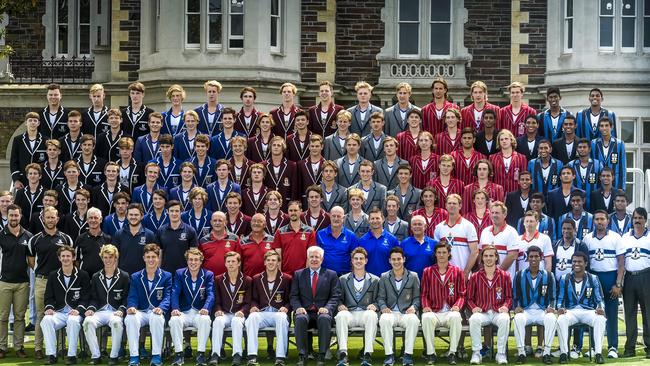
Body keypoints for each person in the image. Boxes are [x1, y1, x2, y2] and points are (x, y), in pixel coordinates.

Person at [27, 206, 74, 359]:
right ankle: (39, 347)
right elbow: (31, 260)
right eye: (48, 217)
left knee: (59, 313)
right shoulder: (35, 239)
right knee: (43, 315)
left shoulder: (66, 238)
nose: (50, 220)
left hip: (61, 282)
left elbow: (70, 258)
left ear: (57, 219)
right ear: (43, 219)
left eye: (53, 217)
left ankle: (60, 347)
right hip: (42, 281)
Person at [582, 210, 625, 359]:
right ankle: (594, 347)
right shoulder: (587, 239)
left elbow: (621, 263)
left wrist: (618, 284)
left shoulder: (615, 237)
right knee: (595, 314)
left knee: (612, 314)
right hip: (594, 279)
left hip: (611, 278)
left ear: (607, 221)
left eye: (602, 219)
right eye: (597, 219)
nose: (599, 222)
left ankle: (613, 346)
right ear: (593, 221)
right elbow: (585, 264)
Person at [290, 246, 341, 366]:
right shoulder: (298, 274)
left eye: (316, 257)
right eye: (311, 257)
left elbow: (335, 296)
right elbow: (294, 296)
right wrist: (298, 307)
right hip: (305, 312)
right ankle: (302, 355)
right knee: (300, 318)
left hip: (322, 312)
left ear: (322, 259)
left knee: (324, 318)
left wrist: (327, 308)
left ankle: (322, 355)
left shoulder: (331, 275)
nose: (314, 259)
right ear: (307, 259)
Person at [41, 245, 91, 365]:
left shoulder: (83, 275)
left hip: (75, 312)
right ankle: (51, 355)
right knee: (46, 320)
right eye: (63, 256)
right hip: (59, 312)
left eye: (68, 256)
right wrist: (49, 308)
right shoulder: (53, 275)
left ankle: (71, 355)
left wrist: (79, 310)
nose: (65, 258)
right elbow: (48, 296)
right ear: (59, 258)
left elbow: (86, 297)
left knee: (73, 321)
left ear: (73, 258)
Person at [125, 244, 172, 366]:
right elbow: (132, 295)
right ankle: (134, 356)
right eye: (148, 257)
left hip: (156, 311)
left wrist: (161, 308)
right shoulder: (136, 276)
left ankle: (156, 355)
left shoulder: (166, 276)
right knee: (130, 318)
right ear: (144, 258)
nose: (151, 260)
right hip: (141, 311)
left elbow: (167, 296)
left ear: (158, 258)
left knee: (156, 318)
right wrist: (132, 307)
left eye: (153, 257)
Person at [556, 251, 607, 364]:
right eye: (574, 261)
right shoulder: (565, 278)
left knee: (600, 319)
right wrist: (560, 308)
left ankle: (598, 353)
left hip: (588, 311)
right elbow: (560, 298)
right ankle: (564, 353)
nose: (576, 264)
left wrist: (601, 308)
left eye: (579, 261)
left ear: (586, 264)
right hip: (571, 311)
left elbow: (599, 299)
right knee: (561, 319)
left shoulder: (593, 278)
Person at [83, 244, 130, 366]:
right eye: (105, 257)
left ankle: (114, 356)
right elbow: (93, 298)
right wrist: (91, 309)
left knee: (116, 322)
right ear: (102, 258)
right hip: (100, 311)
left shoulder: (124, 276)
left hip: (115, 311)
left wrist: (121, 309)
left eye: (110, 257)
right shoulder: (96, 276)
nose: (108, 260)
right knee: (87, 321)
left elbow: (127, 298)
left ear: (116, 258)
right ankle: (96, 355)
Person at [421, 241, 465, 365]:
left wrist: (457, 306)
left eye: (444, 252)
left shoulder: (457, 271)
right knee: (426, 318)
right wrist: (426, 306)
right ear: (435, 254)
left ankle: (452, 352)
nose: (441, 255)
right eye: (439, 252)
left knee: (457, 317)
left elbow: (462, 294)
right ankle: (431, 353)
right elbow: (423, 294)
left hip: (450, 310)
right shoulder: (428, 271)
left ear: (449, 254)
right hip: (434, 310)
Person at [467, 245, 513, 365]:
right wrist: (473, 307)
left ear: (496, 257)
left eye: (491, 255)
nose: (488, 258)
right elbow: (469, 298)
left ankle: (501, 353)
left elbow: (509, 297)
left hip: (498, 311)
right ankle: (476, 353)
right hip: (483, 312)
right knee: (474, 319)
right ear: (482, 258)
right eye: (486, 256)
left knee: (505, 319)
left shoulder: (505, 275)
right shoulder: (475, 276)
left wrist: (506, 307)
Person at [246, 250, 293, 366]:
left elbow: (291, 299)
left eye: (274, 260)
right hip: (263, 313)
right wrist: (254, 307)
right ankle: (252, 356)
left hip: (279, 313)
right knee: (252, 318)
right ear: (264, 262)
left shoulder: (287, 278)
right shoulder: (257, 278)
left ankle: (280, 356)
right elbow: (254, 299)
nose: (271, 262)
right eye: (268, 260)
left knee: (282, 318)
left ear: (278, 263)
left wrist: (286, 308)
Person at [512, 245, 557, 365]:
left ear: (541, 258)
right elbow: (515, 295)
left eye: (536, 256)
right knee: (517, 319)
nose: (533, 259)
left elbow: (553, 296)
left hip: (542, 310)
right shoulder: (519, 274)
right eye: (531, 256)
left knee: (551, 318)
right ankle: (522, 352)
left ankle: (546, 352)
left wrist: (551, 307)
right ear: (527, 258)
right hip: (526, 309)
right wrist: (516, 307)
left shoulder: (548, 275)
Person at [169, 248, 215, 366]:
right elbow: (175, 292)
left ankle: (200, 354)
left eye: (196, 260)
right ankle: (179, 354)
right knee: (174, 320)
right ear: (187, 261)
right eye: (190, 260)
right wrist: (175, 308)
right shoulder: (180, 273)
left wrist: (206, 308)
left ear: (201, 261)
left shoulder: (208, 275)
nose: (193, 262)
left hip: (199, 312)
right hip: (183, 312)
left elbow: (210, 294)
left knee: (205, 320)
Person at [335, 247, 380, 366]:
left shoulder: (375, 280)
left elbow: (379, 299)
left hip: (365, 313)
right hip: (350, 313)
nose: (358, 261)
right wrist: (340, 305)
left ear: (366, 260)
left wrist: (375, 305)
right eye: (356, 258)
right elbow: (338, 298)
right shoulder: (343, 279)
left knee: (371, 315)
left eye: (361, 258)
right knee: (341, 316)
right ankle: (343, 354)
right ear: (352, 261)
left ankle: (367, 354)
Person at [377, 246, 421, 366]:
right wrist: (383, 307)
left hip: (406, 312)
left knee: (413, 320)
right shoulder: (384, 276)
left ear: (404, 259)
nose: (396, 262)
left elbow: (417, 298)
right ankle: (389, 355)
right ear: (389, 261)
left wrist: (414, 307)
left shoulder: (413, 276)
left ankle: (407, 355)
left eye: (399, 259)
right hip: (390, 312)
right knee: (384, 319)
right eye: (394, 259)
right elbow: (380, 298)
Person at [0, 204, 32, 359]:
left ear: (20, 216)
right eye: (11, 215)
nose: (13, 218)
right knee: (2, 317)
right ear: (8, 216)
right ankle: (2, 347)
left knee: (19, 317)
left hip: (22, 283)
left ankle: (19, 347)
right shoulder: (1, 234)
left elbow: (32, 261)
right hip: (4, 282)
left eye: (16, 215)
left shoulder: (28, 236)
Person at [211, 251, 252, 366]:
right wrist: (218, 310)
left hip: (239, 314)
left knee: (237, 322)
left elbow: (248, 302)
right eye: (228, 261)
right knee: (218, 321)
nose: (231, 264)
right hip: (224, 313)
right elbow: (217, 300)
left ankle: (237, 354)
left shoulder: (247, 280)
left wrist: (243, 311)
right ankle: (215, 354)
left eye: (233, 261)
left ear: (239, 263)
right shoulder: (219, 279)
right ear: (224, 264)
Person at [620, 207, 650, 358]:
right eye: (635, 218)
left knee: (648, 314)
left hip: (646, 277)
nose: (637, 221)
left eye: (640, 218)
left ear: (645, 220)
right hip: (630, 278)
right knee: (630, 314)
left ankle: (649, 347)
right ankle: (629, 348)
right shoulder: (625, 237)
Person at [434, 194, 479, 279]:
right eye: (449, 203)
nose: (452, 205)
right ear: (446, 206)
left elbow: (475, 252)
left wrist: (466, 272)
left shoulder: (468, 226)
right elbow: (437, 253)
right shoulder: (439, 227)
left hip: (463, 274)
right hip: (444, 275)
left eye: (454, 203)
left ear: (460, 206)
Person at [113, 203, 157, 275]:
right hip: (124, 277)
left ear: (142, 216)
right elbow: (115, 258)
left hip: (143, 276)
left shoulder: (149, 235)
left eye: (136, 215)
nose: (133, 217)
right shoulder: (119, 234)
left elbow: (153, 258)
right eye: (131, 215)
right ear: (127, 216)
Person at [479, 201, 519, 279]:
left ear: (504, 215)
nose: (494, 215)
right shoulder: (485, 231)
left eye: (497, 213)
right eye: (492, 212)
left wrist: (496, 274)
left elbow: (512, 256)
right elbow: (481, 254)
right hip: (486, 279)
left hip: (504, 280)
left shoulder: (511, 231)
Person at [158, 200, 198, 273]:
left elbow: (193, 254)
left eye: (177, 211)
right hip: (165, 273)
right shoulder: (161, 230)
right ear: (167, 212)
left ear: (181, 212)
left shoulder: (190, 230)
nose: (174, 213)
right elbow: (159, 254)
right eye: (172, 211)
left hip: (184, 273)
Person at [316, 205, 357, 276]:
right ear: (330, 217)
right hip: (325, 276)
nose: (336, 218)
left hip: (344, 276)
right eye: (333, 216)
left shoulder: (351, 235)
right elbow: (316, 256)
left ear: (343, 218)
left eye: (338, 216)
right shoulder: (320, 234)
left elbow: (355, 258)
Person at [10, 111, 47, 190]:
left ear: (38, 123)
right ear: (26, 123)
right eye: (30, 120)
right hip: (22, 179)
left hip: (40, 180)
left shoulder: (45, 140)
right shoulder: (18, 140)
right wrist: (16, 179)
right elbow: (13, 161)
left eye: (35, 121)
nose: (32, 123)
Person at [199, 211, 241, 277]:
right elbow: (200, 262)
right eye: (215, 220)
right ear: (211, 223)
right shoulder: (203, 241)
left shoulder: (235, 239)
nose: (217, 223)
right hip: (209, 279)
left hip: (228, 279)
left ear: (225, 223)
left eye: (220, 220)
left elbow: (239, 260)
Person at [360, 208, 399, 277]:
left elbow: (397, 262)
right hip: (368, 280)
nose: (375, 221)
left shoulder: (392, 240)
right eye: (372, 218)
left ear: (383, 219)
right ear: (368, 220)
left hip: (387, 280)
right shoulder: (362, 241)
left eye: (377, 218)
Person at [591, 117, 626, 190]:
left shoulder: (619, 144)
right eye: (602, 126)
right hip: (598, 183)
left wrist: (622, 187)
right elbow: (591, 165)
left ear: (611, 127)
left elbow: (622, 167)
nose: (604, 128)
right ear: (599, 128)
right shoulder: (593, 143)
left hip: (614, 183)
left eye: (606, 125)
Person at [489, 129, 528, 193]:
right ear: (498, 142)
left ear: (511, 140)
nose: (504, 141)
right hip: (498, 193)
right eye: (501, 139)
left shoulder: (521, 158)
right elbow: (490, 178)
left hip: (515, 192)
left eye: (506, 139)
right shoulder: (492, 158)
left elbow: (524, 178)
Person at [75, 207, 111, 275]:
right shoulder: (80, 238)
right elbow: (76, 260)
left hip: (102, 277)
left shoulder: (108, 239)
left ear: (101, 220)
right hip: (85, 278)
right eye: (91, 218)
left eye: (96, 218)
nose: (93, 220)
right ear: (87, 220)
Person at [264, 136, 298, 207]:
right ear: (270, 147)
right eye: (274, 145)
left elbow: (294, 188)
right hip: (269, 203)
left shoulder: (292, 165)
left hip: (286, 202)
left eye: (279, 145)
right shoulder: (263, 165)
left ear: (283, 148)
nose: (276, 147)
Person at [240, 213, 276, 278]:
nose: (256, 223)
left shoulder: (273, 240)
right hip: (248, 280)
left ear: (265, 225)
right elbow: (239, 264)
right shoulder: (242, 242)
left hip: (267, 280)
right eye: (254, 221)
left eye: (259, 221)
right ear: (251, 223)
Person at [14, 163, 45, 228]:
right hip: (22, 228)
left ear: (40, 176)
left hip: (39, 228)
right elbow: (16, 210)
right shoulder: (20, 193)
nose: (32, 176)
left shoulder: (45, 193)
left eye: (35, 173)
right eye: (30, 173)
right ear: (27, 176)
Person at [297, 135, 326, 205]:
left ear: (322, 147)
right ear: (309, 147)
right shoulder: (301, 164)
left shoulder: (326, 164)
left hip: (323, 202)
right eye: (312, 146)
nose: (314, 148)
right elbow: (298, 186)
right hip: (306, 202)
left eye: (317, 146)